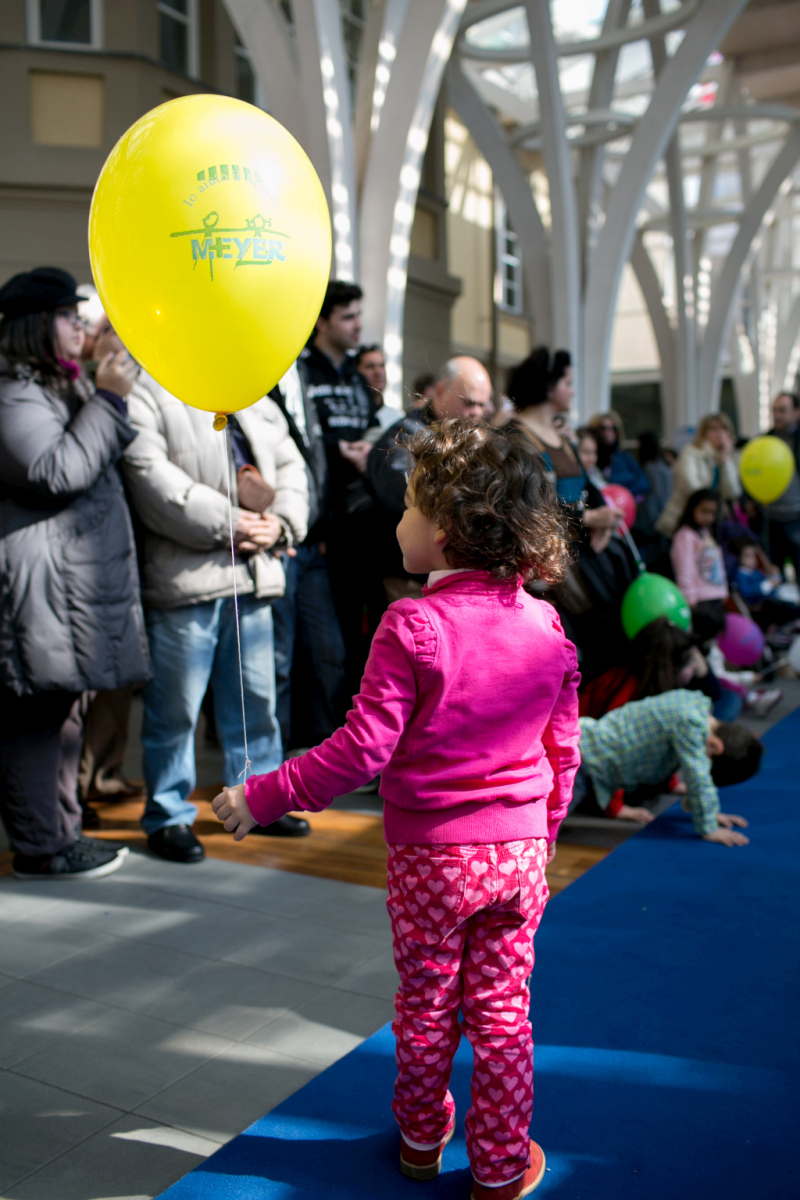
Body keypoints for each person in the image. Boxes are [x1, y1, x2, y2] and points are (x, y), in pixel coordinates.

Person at [212, 421, 581, 1200]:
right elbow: (563, 755)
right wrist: (540, 839)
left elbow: (360, 752)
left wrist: (263, 794)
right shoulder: (547, 626)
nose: (397, 520)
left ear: (445, 531)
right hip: (518, 857)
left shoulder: (412, 625)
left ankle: (420, 1139)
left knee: (426, 1002)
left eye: (408, 506)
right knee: (503, 1013)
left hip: (431, 863)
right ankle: (501, 1165)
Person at [121, 367, 309, 861]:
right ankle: (167, 815)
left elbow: (292, 468)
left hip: (251, 576)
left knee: (256, 705)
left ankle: (259, 803)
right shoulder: (149, 386)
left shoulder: (247, 387)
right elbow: (148, 475)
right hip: (186, 583)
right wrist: (231, 523)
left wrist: (282, 523)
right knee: (175, 711)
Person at [0, 267, 148, 879]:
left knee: (64, 716)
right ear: (36, 325)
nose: (79, 324)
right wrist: (109, 398)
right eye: (67, 315)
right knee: (35, 724)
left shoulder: (54, 388)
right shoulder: (11, 392)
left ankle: (62, 833)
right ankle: (41, 846)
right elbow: (55, 470)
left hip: (69, 587)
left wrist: (101, 391)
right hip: (39, 590)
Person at [299, 281, 379, 692]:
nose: (357, 324)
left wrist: (369, 449)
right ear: (322, 321)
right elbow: (300, 441)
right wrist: (336, 448)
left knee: (354, 634)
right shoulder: (301, 370)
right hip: (319, 527)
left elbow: (371, 427)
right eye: (347, 316)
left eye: (358, 315)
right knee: (320, 644)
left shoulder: (356, 375)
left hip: (357, 526)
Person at [365, 356, 493, 603]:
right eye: (468, 402)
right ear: (439, 391)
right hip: (410, 581)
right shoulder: (404, 438)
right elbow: (407, 497)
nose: (476, 412)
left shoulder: (474, 439)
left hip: (459, 579)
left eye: (482, 405)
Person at [269, 361, 347, 754]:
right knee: (277, 661)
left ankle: (322, 752)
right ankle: (275, 758)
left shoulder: (300, 372)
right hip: (278, 542)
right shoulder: (258, 373)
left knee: (327, 652)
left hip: (313, 543)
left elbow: (314, 462)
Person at [574, 691, 763, 841]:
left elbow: (663, 752)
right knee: (547, 826)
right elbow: (699, 778)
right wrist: (709, 827)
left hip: (589, 756)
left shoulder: (695, 704)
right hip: (578, 763)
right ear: (715, 746)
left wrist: (711, 811)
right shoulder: (690, 724)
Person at [506, 348, 621, 547]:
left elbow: (588, 485)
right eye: (568, 383)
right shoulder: (514, 437)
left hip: (577, 548)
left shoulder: (562, 435)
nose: (572, 391)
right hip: (542, 555)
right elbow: (528, 503)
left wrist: (604, 522)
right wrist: (588, 517)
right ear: (549, 387)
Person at [656, 413, 740, 538]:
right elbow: (693, 489)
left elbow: (732, 492)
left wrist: (725, 462)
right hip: (682, 522)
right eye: (714, 429)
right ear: (704, 433)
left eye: (724, 429)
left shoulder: (729, 458)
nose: (720, 434)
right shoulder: (691, 453)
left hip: (709, 526)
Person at [670, 489, 728, 641]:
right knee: (700, 640)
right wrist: (689, 599)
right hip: (699, 601)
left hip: (714, 596)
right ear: (692, 509)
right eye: (704, 511)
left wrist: (723, 591)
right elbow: (684, 570)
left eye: (713, 513)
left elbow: (717, 566)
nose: (709, 517)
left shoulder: (707, 533)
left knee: (713, 640)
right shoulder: (685, 536)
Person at [761, 391, 800, 580]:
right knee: (774, 576)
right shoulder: (764, 442)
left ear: (797, 412)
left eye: (783, 410)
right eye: (774, 410)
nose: (777, 415)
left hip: (797, 518)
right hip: (771, 520)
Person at [588, 411, 650, 499]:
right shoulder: (591, 456)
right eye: (603, 428)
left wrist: (622, 493)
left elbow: (644, 483)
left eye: (613, 428)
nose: (608, 432)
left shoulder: (623, 457)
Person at [356, 343, 398, 433]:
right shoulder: (352, 416)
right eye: (370, 366)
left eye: (382, 366)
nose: (378, 372)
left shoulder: (396, 416)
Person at [576, 425, 606, 490]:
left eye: (594, 452)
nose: (592, 458)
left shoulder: (595, 471)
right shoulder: (573, 477)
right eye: (586, 452)